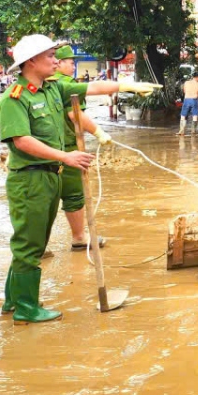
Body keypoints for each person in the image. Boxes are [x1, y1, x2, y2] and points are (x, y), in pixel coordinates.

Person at [0, 34, 160, 323]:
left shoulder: (51, 90)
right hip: (30, 179)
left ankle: (13, 300)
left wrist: (125, 85)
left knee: (33, 241)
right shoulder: (14, 99)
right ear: (31, 61)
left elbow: (92, 86)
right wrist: (65, 157)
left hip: (49, 176)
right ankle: (25, 308)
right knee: (29, 244)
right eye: (49, 56)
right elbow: (21, 141)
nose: (55, 61)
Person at [48, 44, 117, 253]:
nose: (73, 66)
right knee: (74, 195)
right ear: (58, 63)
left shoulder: (47, 85)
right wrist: (98, 132)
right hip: (68, 147)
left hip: (46, 149)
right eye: (70, 62)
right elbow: (75, 115)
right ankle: (79, 237)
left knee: (45, 198)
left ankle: (37, 244)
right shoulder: (65, 85)